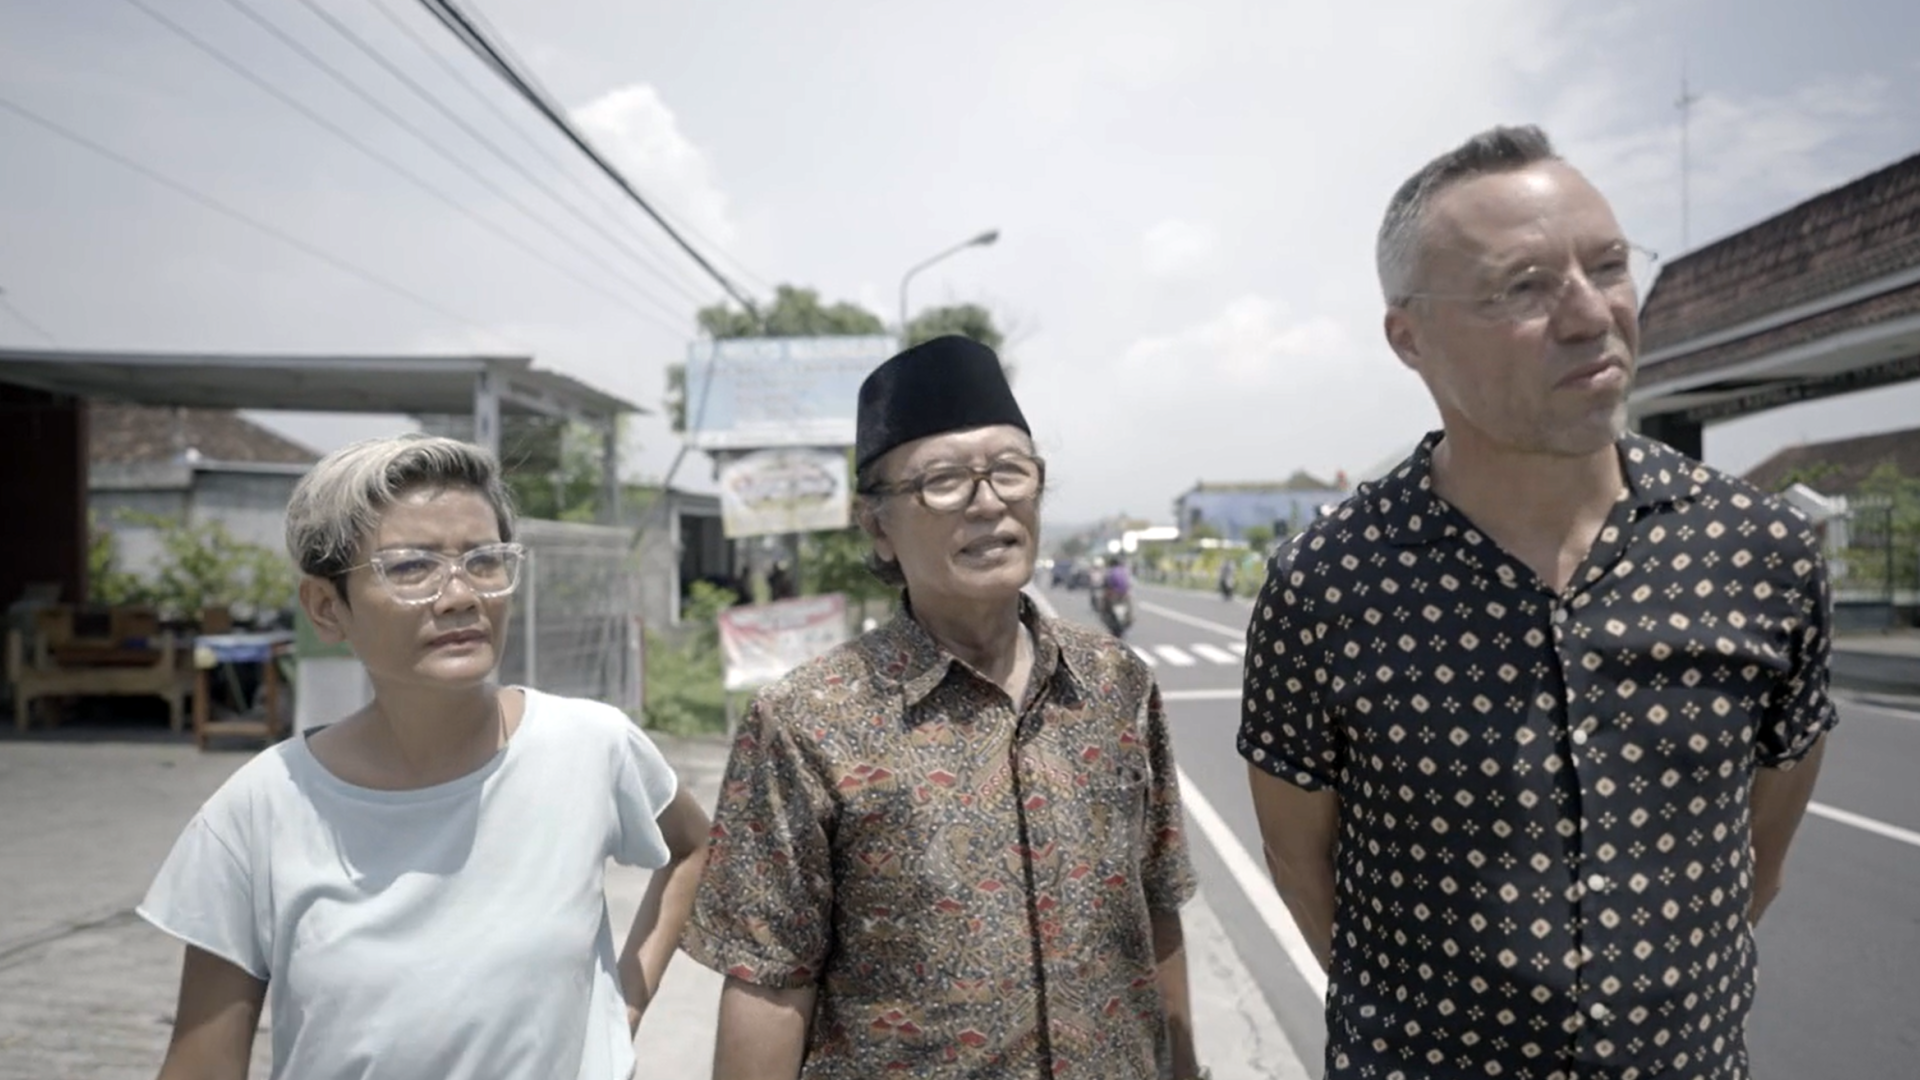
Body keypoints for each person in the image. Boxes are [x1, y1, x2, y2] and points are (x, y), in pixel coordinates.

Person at [1240, 125, 1835, 1080]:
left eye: (1608, 266)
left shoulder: (1756, 550)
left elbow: (1758, 851)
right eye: (1523, 286)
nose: (1591, 315)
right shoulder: (1327, 585)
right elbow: (1301, 859)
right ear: (1410, 337)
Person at [682, 335, 1205, 1079]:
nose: (988, 502)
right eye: (944, 482)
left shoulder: (1116, 684)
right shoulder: (807, 722)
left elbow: (1155, 907)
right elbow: (769, 981)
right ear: (877, 526)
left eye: (1009, 471)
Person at [140, 434, 711, 1080]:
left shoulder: (590, 746)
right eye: (411, 567)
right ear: (327, 608)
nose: (461, 595)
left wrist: (619, 1011)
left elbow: (695, 848)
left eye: (485, 560)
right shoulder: (259, 812)